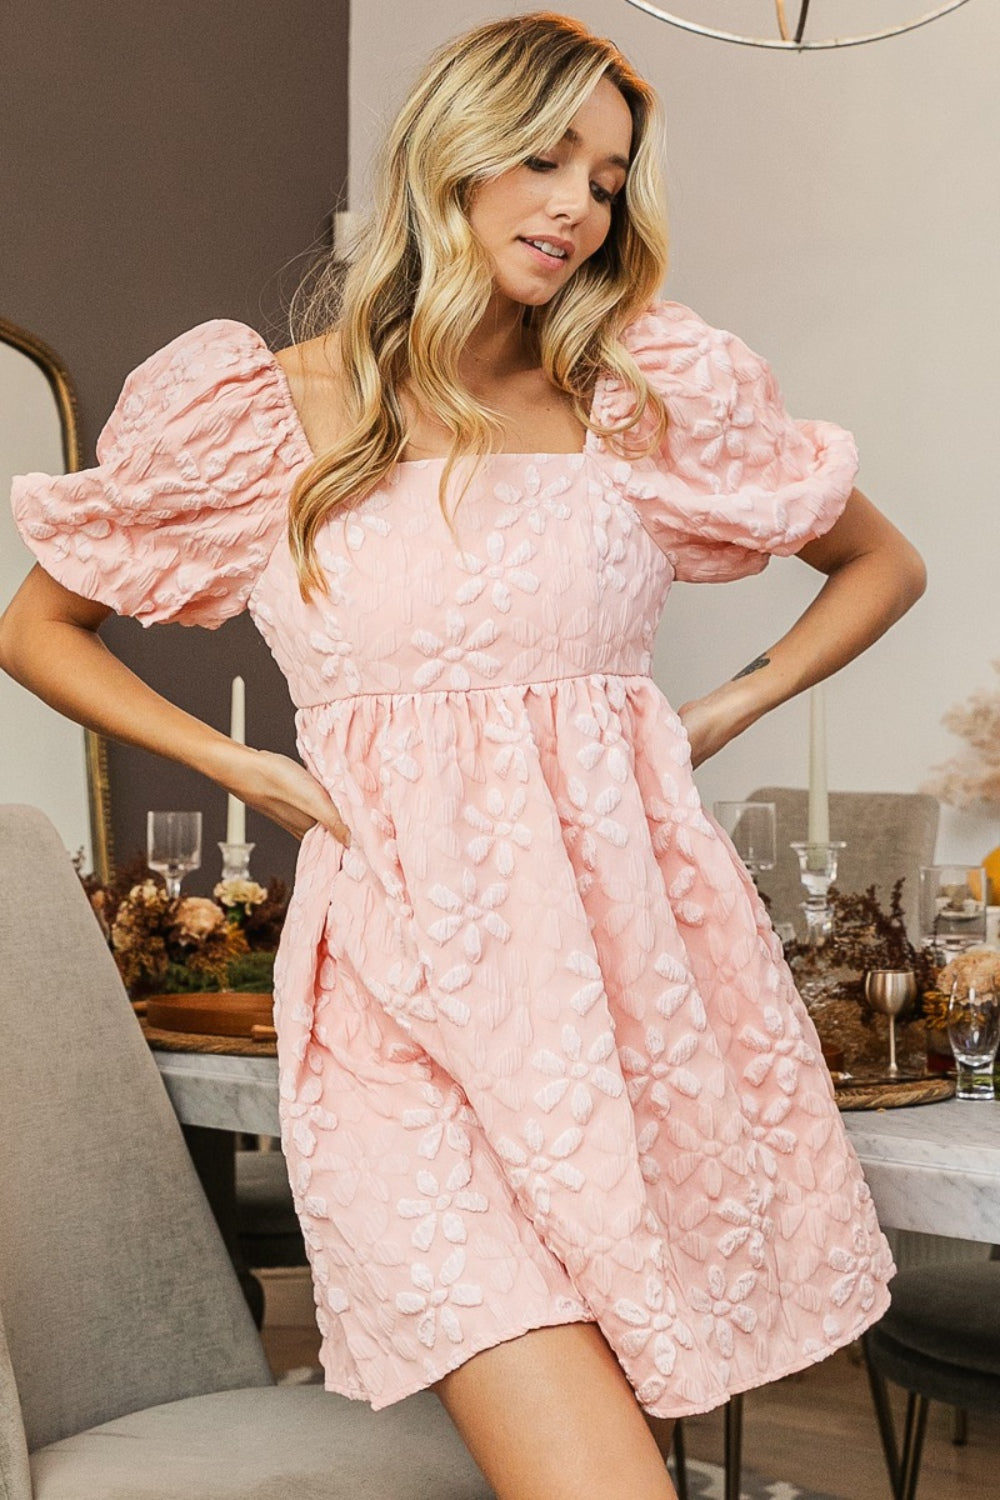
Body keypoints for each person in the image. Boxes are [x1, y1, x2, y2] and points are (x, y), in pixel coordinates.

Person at [1, 13, 925, 1500]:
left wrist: (722, 711)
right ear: (451, 157)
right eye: (547, 155)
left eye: (611, 177)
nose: (578, 204)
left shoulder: (639, 401)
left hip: (623, 986)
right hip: (395, 1003)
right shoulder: (268, 412)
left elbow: (883, 562)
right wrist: (240, 769)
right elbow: (38, 624)